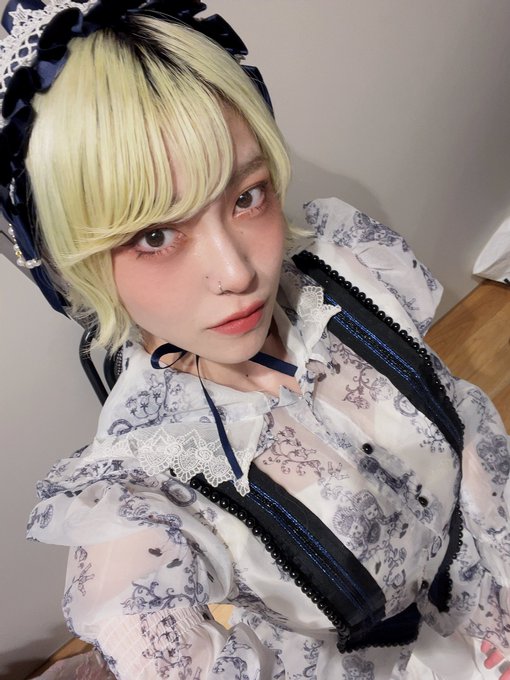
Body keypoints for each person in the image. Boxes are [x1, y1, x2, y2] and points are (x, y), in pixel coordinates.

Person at [1, 1, 509, 678]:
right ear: (73, 264)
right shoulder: (142, 489)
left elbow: (462, 421)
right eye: (155, 235)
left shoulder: (344, 266)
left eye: (246, 196)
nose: (239, 272)